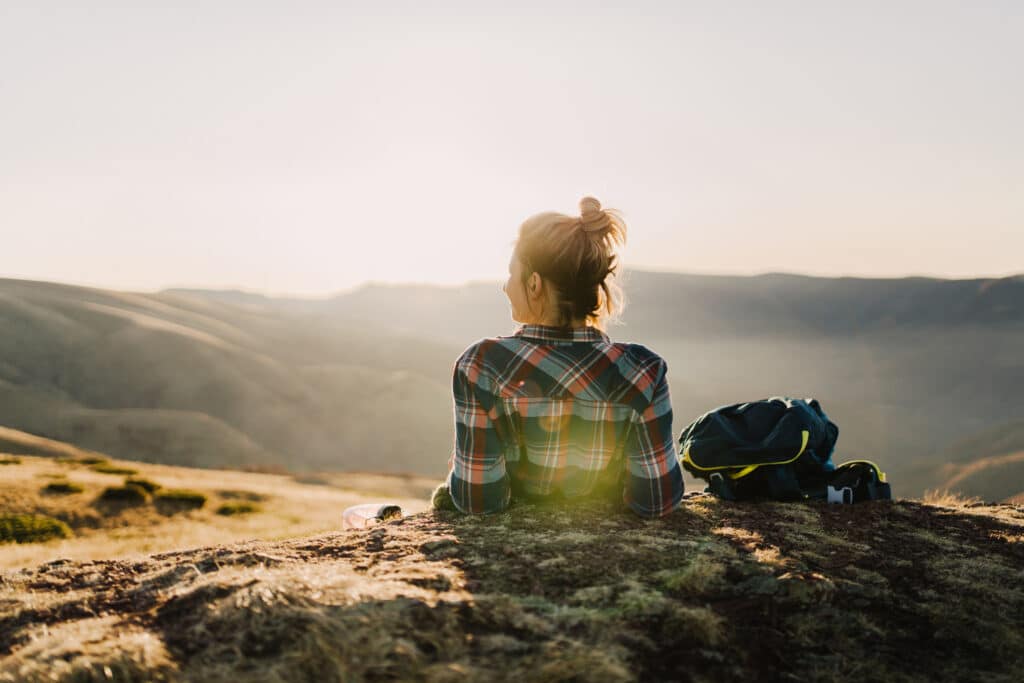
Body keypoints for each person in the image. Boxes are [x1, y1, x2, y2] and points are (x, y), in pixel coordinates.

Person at [437, 196, 684, 518]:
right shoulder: (643, 369)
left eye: (511, 275)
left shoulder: (481, 365)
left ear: (535, 284)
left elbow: (478, 503)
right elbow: (656, 500)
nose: (504, 287)